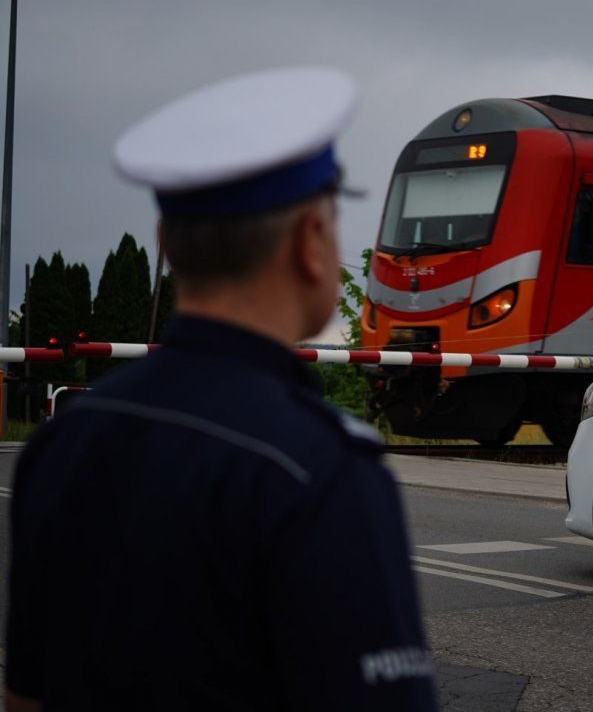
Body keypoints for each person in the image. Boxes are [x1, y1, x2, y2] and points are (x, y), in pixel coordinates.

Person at [4, 67, 439, 711]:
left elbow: (23, 696)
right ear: (310, 243)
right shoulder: (321, 471)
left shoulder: (63, 438)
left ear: (165, 246)